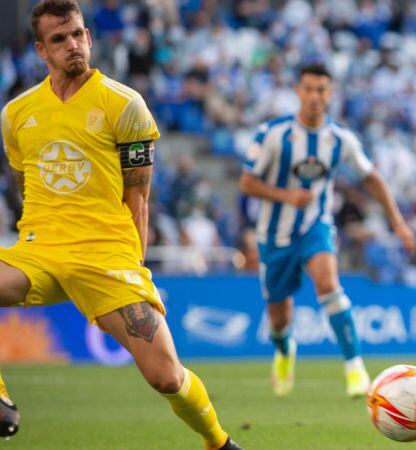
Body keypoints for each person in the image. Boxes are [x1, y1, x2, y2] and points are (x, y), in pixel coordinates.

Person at [0, 1, 241, 448]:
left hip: (105, 253)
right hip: (40, 249)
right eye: (59, 39)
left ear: (89, 37)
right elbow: (24, 182)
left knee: (166, 377)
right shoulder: (16, 115)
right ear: (41, 50)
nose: (72, 45)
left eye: (77, 34)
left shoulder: (125, 105)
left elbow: (139, 198)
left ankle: (219, 442)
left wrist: (132, 267)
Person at [240, 63, 416, 398]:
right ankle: (284, 349)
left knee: (328, 283)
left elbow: (371, 177)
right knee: (279, 315)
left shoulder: (340, 139)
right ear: (298, 91)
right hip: (274, 235)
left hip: (316, 227)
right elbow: (247, 182)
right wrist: (287, 195)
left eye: (321, 90)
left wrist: (398, 222)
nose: (315, 96)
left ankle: (355, 369)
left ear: (330, 94)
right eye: (308, 88)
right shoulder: (273, 134)